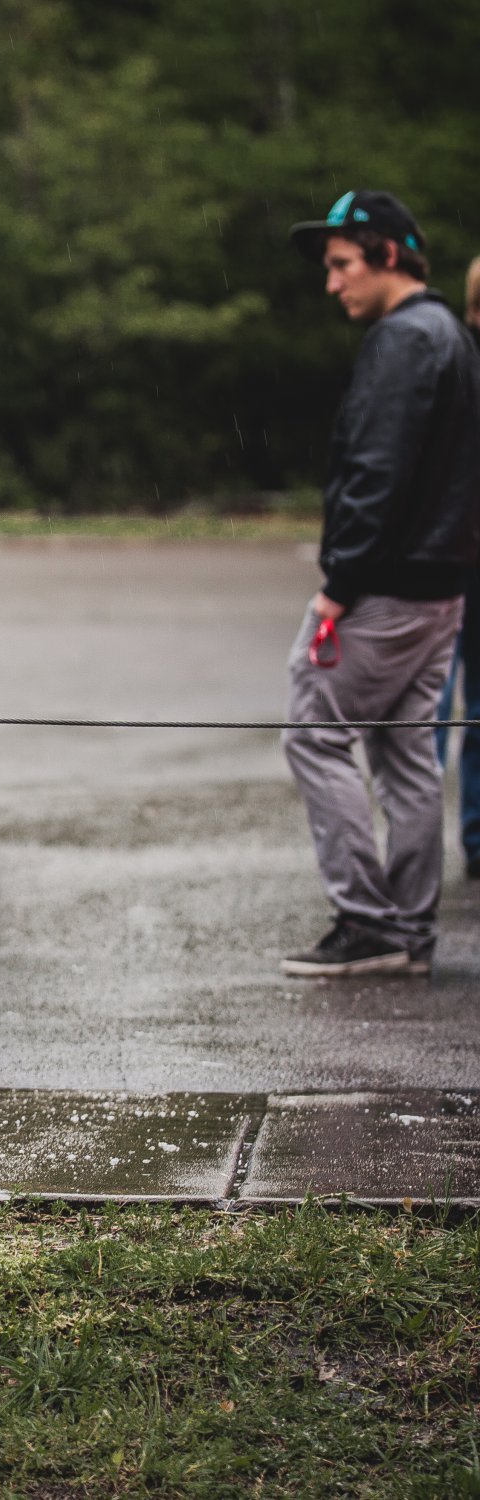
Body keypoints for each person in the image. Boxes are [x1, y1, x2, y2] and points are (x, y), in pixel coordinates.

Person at [279, 191, 480, 977]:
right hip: (441, 589)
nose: (333, 284)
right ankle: (408, 927)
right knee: (404, 754)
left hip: (386, 589)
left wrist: (341, 585)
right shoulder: (456, 338)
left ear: (388, 256)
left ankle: (370, 924)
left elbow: (378, 473)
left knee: (312, 732)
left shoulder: (405, 342)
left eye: (342, 266)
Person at [430, 253, 480, 878]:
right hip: (447, 562)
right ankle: (413, 845)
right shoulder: (455, 363)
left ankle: (477, 837)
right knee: (430, 707)